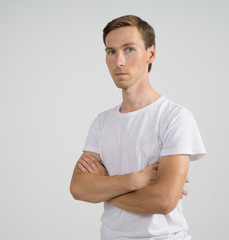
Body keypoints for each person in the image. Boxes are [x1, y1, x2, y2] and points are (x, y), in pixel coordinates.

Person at [70, 15, 206, 240]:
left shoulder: (174, 117)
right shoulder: (102, 122)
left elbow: (163, 201)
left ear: (150, 54)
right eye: (111, 51)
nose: (119, 61)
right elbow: (79, 188)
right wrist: (135, 181)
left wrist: (104, 190)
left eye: (129, 49)